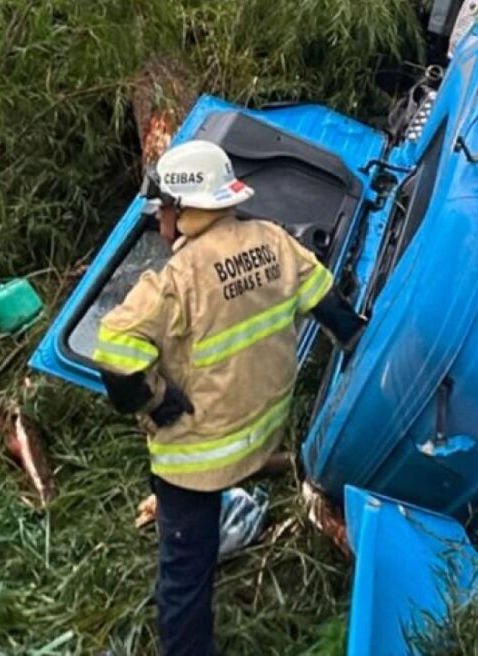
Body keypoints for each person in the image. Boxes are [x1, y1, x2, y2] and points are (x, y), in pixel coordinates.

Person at [93, 140, 363, 656]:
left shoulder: (176, 280)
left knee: (183, 578)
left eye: (162, 208)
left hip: (197, 462)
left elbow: (114, 350)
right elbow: (331, 306)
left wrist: (155, 401)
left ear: (184, 209)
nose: (158, 218)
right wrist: (356, 343)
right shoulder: (273, 241)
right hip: (262, 430)